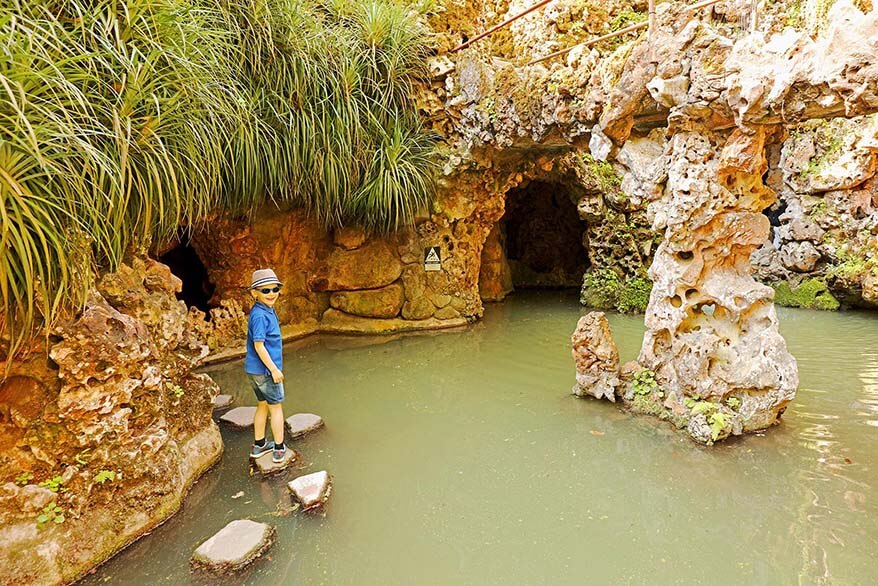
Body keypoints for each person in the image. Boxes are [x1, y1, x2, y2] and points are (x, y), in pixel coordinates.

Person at [245, 268, 287, 463]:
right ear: (254, 293)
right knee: (275, 407)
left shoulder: (262, 310)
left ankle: (259, 444)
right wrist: (274, 369)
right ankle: (279, 448)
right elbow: (259, 345)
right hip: (266, 371)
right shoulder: (260, 316)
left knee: (262, 404)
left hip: (255, 370)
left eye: (275, 289)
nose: (271, 294)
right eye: (265, 291)